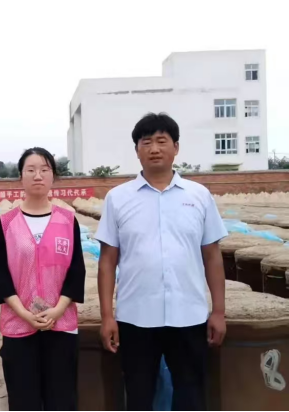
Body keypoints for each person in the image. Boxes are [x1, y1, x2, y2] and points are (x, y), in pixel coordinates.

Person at [95, 113, 228, 411]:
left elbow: (212, 255)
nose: (154, 149)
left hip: (189, 315)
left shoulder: (199, 196)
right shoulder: (117, 198)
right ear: (137, 150)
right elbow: (107, 261)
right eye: (146, 142)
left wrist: (219, 311)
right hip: (136, 317)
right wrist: (107, 317)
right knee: (139, 395)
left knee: (191, 395)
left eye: (161, 141)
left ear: (176, 147)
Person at [0, 147, 86, 411]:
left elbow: (76, 270)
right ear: (20, 176)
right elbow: (0, 274)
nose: (38, 175)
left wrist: (57, 309)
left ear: (53, 176)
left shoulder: (68, 220)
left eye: (45, 169)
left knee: (62, 399)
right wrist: (24, 313)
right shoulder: (6, 223)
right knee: (23, 399)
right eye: (30, 170)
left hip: (61, 323)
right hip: (18, 323)